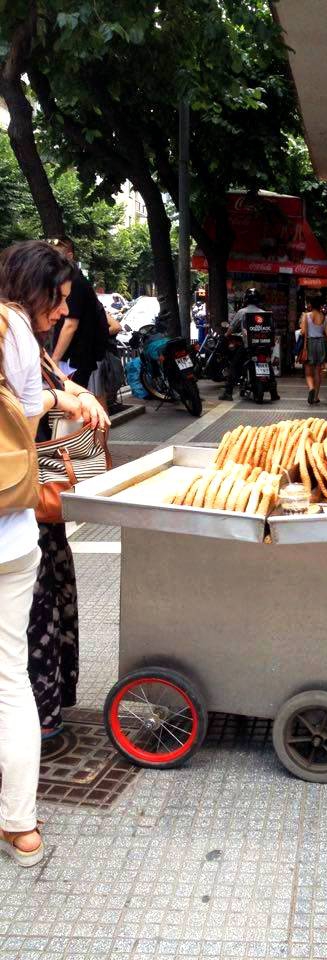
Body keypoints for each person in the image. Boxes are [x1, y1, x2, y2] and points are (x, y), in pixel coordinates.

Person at [0, 241, 109, 741]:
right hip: (19, 502)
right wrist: (61, 397)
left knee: (38, 614)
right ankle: (36, 724)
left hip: (29, 503)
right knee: (23, 638)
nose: (66, 310)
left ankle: (42, 718)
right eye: (59, 298)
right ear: (32, 289)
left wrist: (74, 393)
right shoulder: (14, 329)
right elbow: (25, 406)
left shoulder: (22, 330)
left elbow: (50, 382)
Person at [0, 292, 47, 866]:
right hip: (12, 536)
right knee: (10, 681)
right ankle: (21, 827)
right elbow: (29, 426)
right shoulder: (11, 323)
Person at [48, 237, 108, 390]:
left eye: (57, 255)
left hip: (73, 360)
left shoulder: (75, 282)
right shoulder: (74, 280)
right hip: (74, 358)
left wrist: (54, 360)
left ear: (70, 256)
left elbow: (70, 325)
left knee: (69, 407)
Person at [220, 288, 280, 402]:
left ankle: (228, 392)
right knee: (268, 365)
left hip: (249, 347)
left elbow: (231, 328)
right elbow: (272, 329)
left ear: (246, 300)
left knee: (234, 365)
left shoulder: (242, 312)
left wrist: (227, 335)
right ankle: (274, 393)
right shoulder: (265, 313)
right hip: (265, 346)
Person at [300, 294, 327, 405]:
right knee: (318, 372)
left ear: (311, 304)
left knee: (308, 373)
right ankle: (315, 397)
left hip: (310, 343)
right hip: (321, 344)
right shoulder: (325, 318)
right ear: (320, 305)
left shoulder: (306, 316)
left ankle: (311, 388)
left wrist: (304, 347)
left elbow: (303, 332)